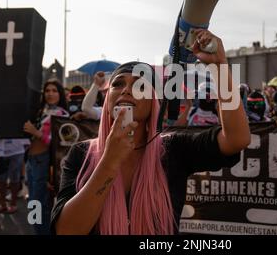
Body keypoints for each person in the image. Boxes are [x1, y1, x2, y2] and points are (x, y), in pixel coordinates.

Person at [51, 29, 251, 235]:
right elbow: (66, 230)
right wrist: (109, 161)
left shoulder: (173, 149)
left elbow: (237, 139)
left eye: (139, 85)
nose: (126, 90)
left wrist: (219, 67)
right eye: (118, 84)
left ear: (154, 102)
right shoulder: (81, 154)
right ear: (107, 97)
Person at [23, 79, 69, 235]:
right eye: (47, 90)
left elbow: (58, 143)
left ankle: (42, 232)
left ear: (60, 94)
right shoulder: (40, 111)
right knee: (33, 202)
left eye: (54, 90)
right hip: (31, 160)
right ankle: (37, 230)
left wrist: (35, 132)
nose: (50, 93)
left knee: (38, 202)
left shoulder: (62, 115)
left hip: (44, 161)